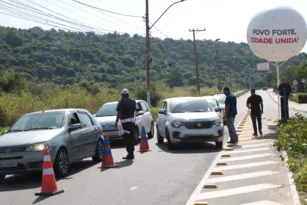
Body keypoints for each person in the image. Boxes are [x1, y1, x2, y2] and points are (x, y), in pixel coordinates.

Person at [115, 88, 136, 160]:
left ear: (122, 94)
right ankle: (131, 153)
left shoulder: (121, 102)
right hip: (132, 122)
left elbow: (119, 113)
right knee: (131, 136)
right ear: (128, 94)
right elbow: (133, 110)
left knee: (127, 138)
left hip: (125, 122)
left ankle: (130, 154)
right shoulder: (133, 101)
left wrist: (116, 122)